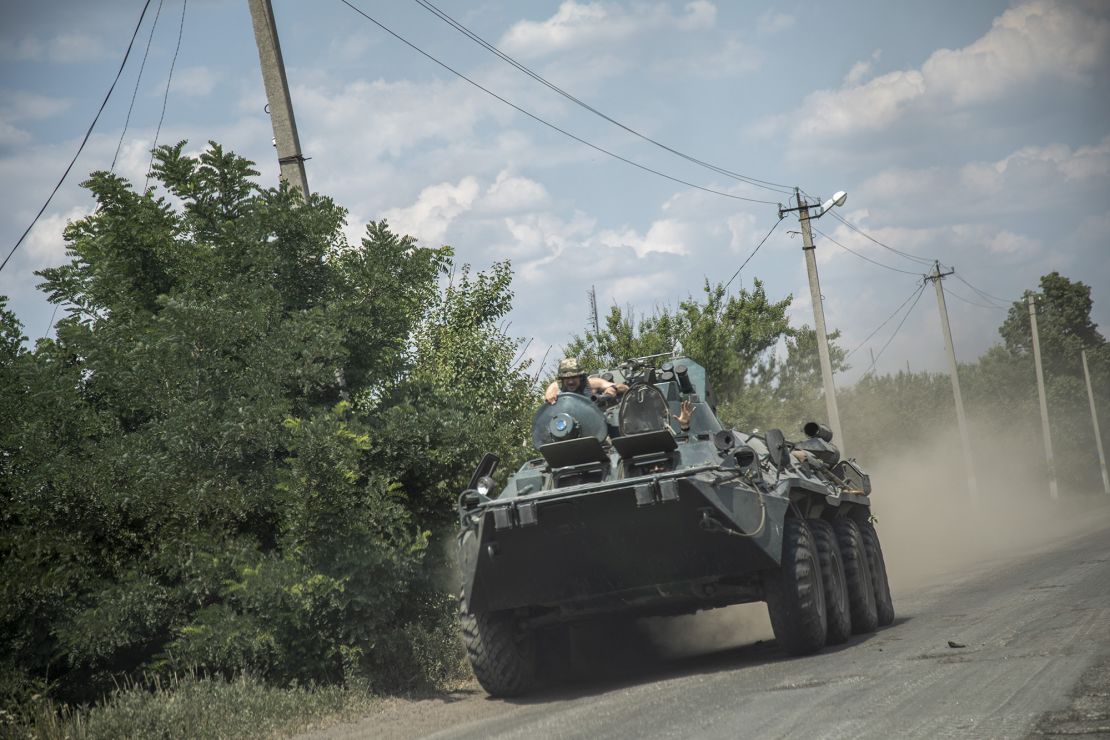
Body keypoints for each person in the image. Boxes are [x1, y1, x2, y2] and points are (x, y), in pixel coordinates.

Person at [544, 357, 628, 404]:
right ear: (562, 379)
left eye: (574, 377)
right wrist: (551, 398)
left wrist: (613, 389)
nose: (570, 382)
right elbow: (548, 397)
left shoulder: (591, 383)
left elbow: (625, 388)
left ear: (580, 377)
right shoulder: (555, 387)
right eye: (567, 378)